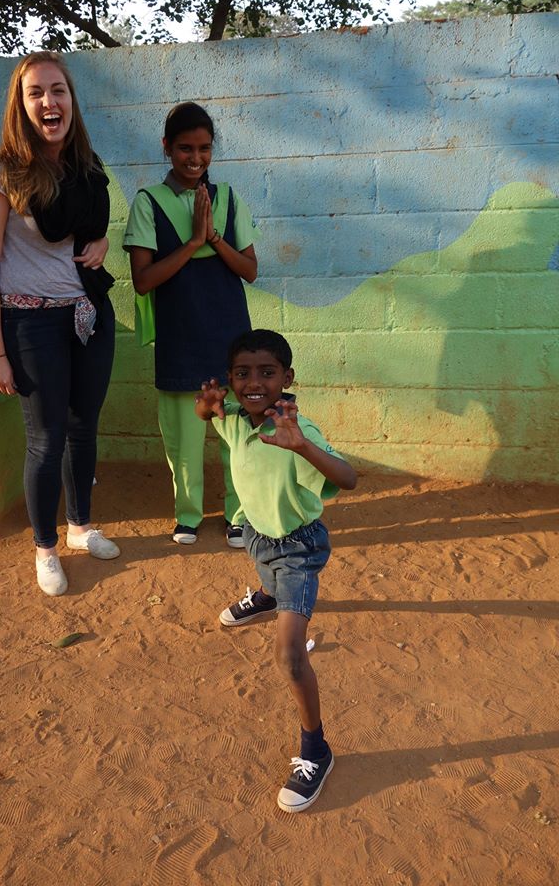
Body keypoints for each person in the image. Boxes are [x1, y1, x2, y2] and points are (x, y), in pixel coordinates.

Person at [0, 51, 120, 597]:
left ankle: (79, 528)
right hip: (29, 325)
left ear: (72, 101)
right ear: (21, 104)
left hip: (88, 316)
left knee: (84, 427)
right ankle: (45, 546)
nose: (49, 102)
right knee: (46, 439)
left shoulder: (86, 165)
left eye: (58, 90)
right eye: (36, 93)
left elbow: (89, 233)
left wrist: (101, 242)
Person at [195, 329, 357, 812]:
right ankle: (267, 595)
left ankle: (317, 749)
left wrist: (301, 447)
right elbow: (212, 417)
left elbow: (347, 477)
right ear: (231, 380)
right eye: (242, 373)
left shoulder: (295, 431)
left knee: (290, 657)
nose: (254, 382)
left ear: (287, 378)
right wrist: (207, 407)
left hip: (297, 549)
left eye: (267, 372)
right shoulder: (239, 424)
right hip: (258, 536)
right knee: (263, 565)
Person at [124, 102, 259, 548]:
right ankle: (188, 515)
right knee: (182, 439)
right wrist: (194, 242)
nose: (195, 158)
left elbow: (250, 270)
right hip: (181, 335)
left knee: (235, 433)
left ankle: (240, 514)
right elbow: (144, 281)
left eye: (204, 148)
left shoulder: (229, 199)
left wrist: (215, 239)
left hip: (229, 335)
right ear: (167, 147)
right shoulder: (148, 203)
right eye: (185, 148)